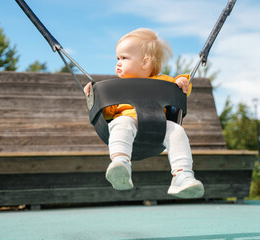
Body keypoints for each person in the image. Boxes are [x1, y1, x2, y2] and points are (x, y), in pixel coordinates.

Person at [84, 28, 204, 198]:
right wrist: (94, 96)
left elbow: (180, 88)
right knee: (121, 123)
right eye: (117, 58)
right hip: (129, 123)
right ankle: (120, 164)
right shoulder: (116, 89)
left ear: (145, 62)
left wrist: (182, 80)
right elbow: (108, 113)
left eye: (124, 58)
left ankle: (182, 176)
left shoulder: (163, 81)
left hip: (158, 126)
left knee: (177, 131)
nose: (118, 63)